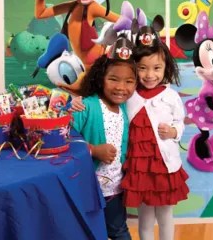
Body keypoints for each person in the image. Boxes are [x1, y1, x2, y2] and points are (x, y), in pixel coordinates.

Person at [121, 22, 189, 240]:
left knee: (165, 215)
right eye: (142, 68)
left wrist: (173, 131)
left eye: (156, 68)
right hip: (139, 169)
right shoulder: (129, 95)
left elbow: (180, 122)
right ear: (133, 67)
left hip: (164, 167)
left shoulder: (171, 96)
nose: (150, 75)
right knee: (145, 218)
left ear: (165, 67)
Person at [71, 36, 137, 240]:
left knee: (119, 231)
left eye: (129, 81)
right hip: (87, 189)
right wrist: (93, 150)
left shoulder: (124, 108)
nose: (121, 87)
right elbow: (64, 139)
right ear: (100, 78)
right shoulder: (86, 106)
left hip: (115, 189)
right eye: (113, 79)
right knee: (88, 233)